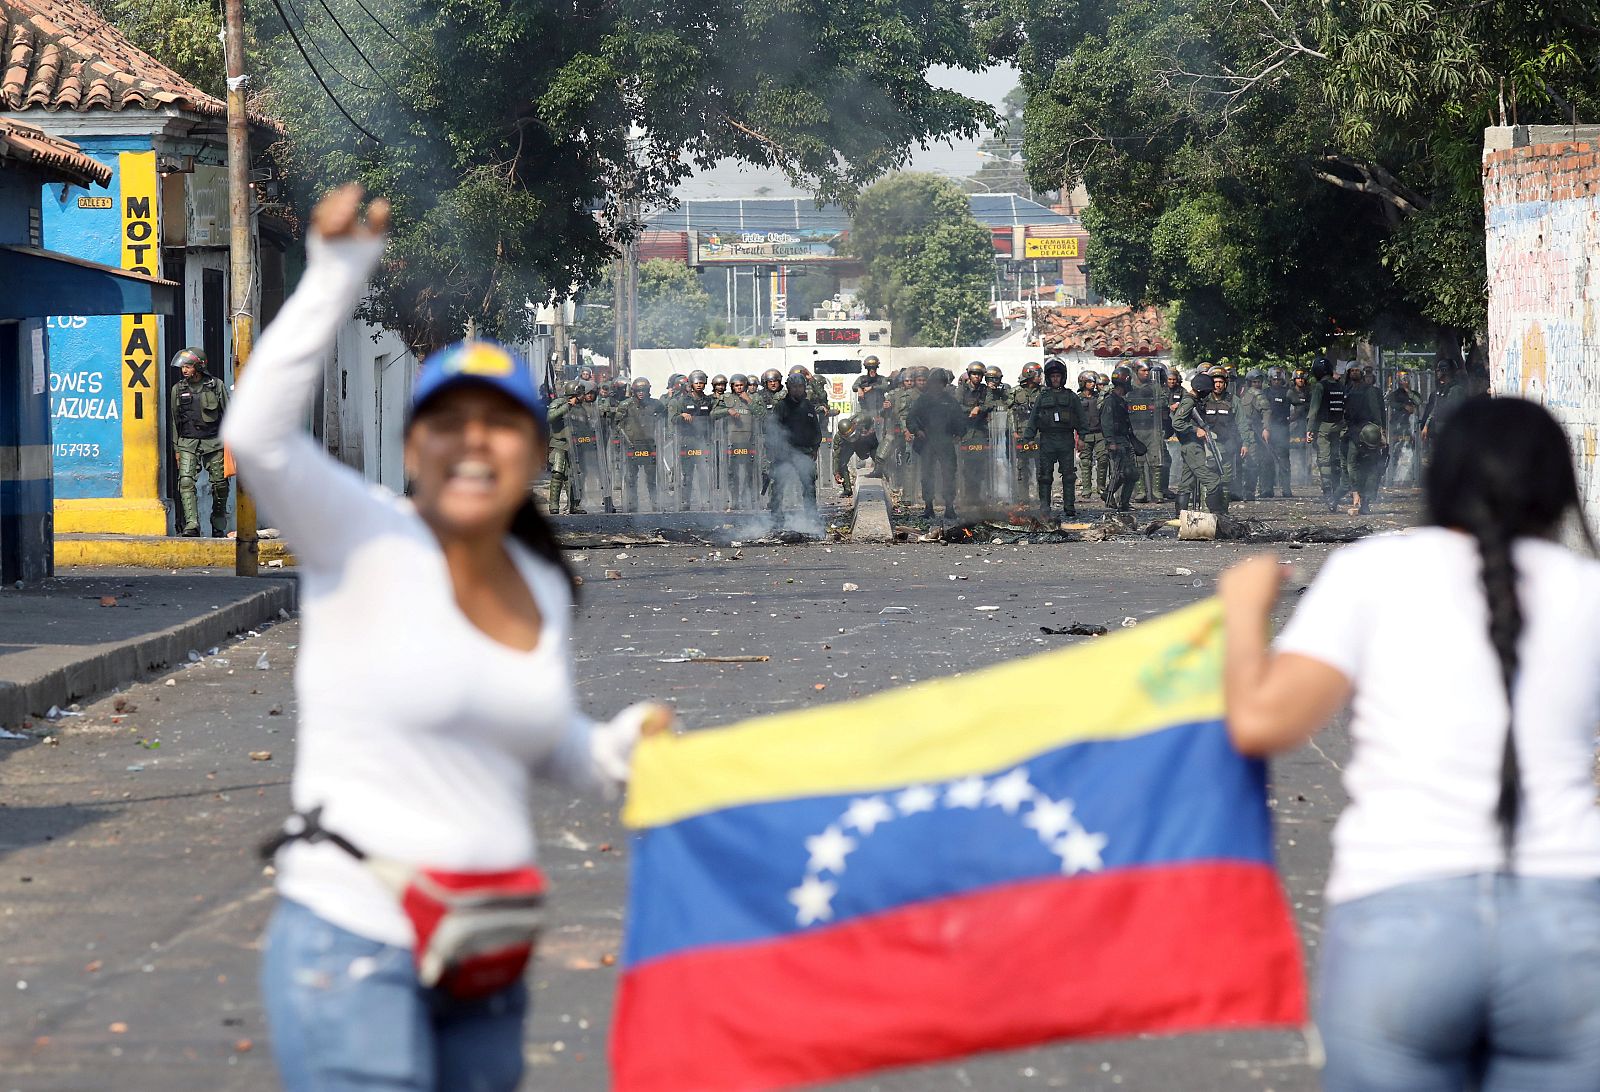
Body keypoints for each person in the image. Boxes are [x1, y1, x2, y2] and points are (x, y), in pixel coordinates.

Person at [226, 186, 668, 1092]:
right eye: (449, 424)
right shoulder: (362, 535)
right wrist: (337, 273)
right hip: (356, 944)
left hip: (490, 955)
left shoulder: (541, 581)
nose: (475, 443)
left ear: (536, 453)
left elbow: (540, 740)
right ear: (415, 447)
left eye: (501, 424)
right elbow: (258, 435)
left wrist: (618, 750)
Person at [1219, 396, 1600, 1092]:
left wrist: (1244, 611)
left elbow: (1261, 722)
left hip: (1401, 921)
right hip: (1572, 922)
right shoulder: (1589, 589)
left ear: (1441, 477)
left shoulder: (1373, 572)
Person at [169, 347, 230, 537]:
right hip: (187, 442)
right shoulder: (178, 389)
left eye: (188, 366)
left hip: (215, 442)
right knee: (186, 482)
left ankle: (218, 525)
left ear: (199, 366)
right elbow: (175, 421)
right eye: (183, 367)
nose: (184, 370)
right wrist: (177, 448)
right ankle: (192, 524)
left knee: (220, 484)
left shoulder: (216, 385)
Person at [1024, 359, 1084, 519]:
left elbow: (1081, 417)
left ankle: (1069, 506)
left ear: (1062, 377)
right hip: (1047, 439)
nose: (1055, 379)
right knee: (1044, 475)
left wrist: (1082, 437)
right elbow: (1034, 418)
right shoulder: (1042, 397)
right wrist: (1029, 437)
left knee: (1069, 475)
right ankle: (1044, 507)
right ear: (1048, 378)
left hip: (1065, 439)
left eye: (1058, 376)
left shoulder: (1071, 397)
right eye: (1053, 376)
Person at [905, 367, 964, 519]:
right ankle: (928, 507)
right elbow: (911, 418)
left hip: (945, 442)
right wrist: (917, 431)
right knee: (927, 475)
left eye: (941, 383)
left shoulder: (950, 401)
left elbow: (960, 419)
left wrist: (959, 434)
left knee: (949, 474)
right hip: (927, 443)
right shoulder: (922, 400)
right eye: (935, 382)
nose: (938, 386)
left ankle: (949, 507)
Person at [766, 373, 823, 526]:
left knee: (809, 484)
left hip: (804, 451)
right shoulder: (782, 406)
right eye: (794, 387)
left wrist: (815, 447)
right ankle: (776, 516)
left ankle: (811, 515)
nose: (798, 390)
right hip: (785, 452)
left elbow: (816, 429)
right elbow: (773, 429)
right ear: (789, 388)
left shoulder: (808, 406)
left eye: (800, 386)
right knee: (779, 483)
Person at [1171, 371, 1222, 513]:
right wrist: (1195, 430)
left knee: (1186, 484)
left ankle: (1181, 519)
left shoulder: (1194, 401)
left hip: (1192, 446)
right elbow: (1177, 423)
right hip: (1192, 447)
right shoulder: (1189, 401)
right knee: (1212, 481)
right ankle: (1217, 516)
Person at [612, 377, 665, 512]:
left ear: (648, 390)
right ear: (634, 391)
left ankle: (655, 502)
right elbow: (617, 424)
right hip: (632, 444)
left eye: (644, 390)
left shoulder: (656, 405)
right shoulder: (625, 405)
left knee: (652, 477)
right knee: (630, 478)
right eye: (638, 390)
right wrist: (624, 440)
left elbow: (664, 419)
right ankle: (632, 504)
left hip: (649, 444)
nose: (641, 393)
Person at [1100, 365, 1147, 511]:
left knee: (1132, 474)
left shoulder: (1122, 401)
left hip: (1125, 440)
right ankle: (1109, 494)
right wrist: (1110, 441)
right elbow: (1106, 423)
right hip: (1116, 441)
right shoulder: (1110, 401)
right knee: (1121, 473)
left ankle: (1123, 502)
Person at [1306, 357, 1348, 512]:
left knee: (1324, 462)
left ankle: (1329, 495)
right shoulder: (1340, 385)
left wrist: (1309, 430)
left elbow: (1314, 410)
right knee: (1336, 460)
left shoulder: (1319, 386)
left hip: (1323, 428)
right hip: (1339, 427)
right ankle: (1336, 494)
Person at [712, 374, 760, 510]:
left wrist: (749, 401)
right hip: (731, 442)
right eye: (736, 385)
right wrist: (727, 411)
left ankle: (749, 501)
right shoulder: (726, 398)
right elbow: (713, 413)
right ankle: (734, 500)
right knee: (733, 474)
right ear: (732, 386)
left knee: (749, 474)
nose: (739, 388)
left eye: (741, 385)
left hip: (749, 442)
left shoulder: (754, 397)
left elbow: (762, 414)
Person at [956, 361, 997, 508]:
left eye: (979, 375)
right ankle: (967, 497)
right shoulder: (961, 389)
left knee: (980, 466)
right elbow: (957, 406)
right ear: (969, 374)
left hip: (981, 432)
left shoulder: (985, 390)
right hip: (966, 432)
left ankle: (978, 497)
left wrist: (979, 408)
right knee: (966, 467)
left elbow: (990, 404)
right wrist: (970, 410)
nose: (977, 377)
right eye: (974, 374)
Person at [1261, 367, 1294, 498]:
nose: (1277, 382)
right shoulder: (1265, 393)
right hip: (1267, 431)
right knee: (1266, 460)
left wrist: (1293, 417)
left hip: (1283, 430)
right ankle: (1266, 489)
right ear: (1270, 380)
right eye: (1274, 379)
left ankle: (1286, 489)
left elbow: (1300, 405)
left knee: (1284, 461)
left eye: (1279, 380)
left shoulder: (1288, 392)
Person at [832, 411, 880, 498]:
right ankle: (847, 489)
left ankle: (880, 470)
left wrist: (869, 430)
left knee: (874, 452)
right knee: (842, 464)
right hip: (849, 446)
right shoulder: (838, 438)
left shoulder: (861, 418)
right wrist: (836, 472)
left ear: (854, 425)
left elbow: (872, 420)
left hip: (863, 440)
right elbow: (836, 456)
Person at [1076, 371, 1105, 502]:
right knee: (1086, 462)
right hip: (1084, 434)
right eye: (1089, 382)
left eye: (1093, 382)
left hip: (1100, 433)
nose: (1092, 384)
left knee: (1103, 459)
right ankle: (1086, 489)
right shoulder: (1077, 398)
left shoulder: (1099, 397)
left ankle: (1101, 487)